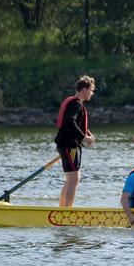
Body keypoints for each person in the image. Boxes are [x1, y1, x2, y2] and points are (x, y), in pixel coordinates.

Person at [54, 75, 97, 207]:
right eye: (91, 90)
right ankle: (67, 212)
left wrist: (87, 133)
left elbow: (75, 122)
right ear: (84, 89)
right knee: (74, 179)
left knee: (70, 180)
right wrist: (84, 138)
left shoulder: (74, 103)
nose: (92, 93)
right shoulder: (76, 104)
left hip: (65, 144)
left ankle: (62, 209)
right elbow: (69, 122)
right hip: (69, 146)